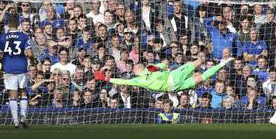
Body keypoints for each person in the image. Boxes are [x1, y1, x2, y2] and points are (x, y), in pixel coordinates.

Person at [95, 58, 233, 93]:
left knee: (200, 76)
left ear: (138, 68)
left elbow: (164, 64)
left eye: (134, 69)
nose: (132, 71)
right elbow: (122, 81)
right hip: (173, 80)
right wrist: (106, 78)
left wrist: (106, 78)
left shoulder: (147, 71)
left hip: (172, 86)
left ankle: (221, 64)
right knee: (200, 64)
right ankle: (221, 64)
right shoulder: (140, 77)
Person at [0, 14, 35, 128]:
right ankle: (23, 116)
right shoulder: (24, 36)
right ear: (18, 24)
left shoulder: (3, 37)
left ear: (8, 25)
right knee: (23, 91)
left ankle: (15, 121)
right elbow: (29, 53)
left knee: (13, 94)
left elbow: (0, 54)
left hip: (9, 67)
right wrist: (33, 61)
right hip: (22, 67)